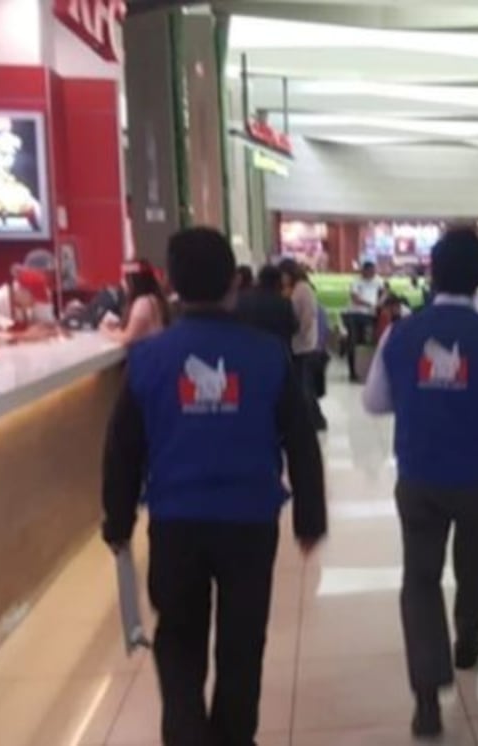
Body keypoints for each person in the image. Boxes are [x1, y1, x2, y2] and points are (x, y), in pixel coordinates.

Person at [102, 227, 327, 746]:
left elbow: (122, 448)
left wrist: (118, 521)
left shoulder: (148, 358)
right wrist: (309, 517)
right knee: (242, 642)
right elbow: (300, 438)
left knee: (179, 641)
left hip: (176, 522)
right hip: (249, 522)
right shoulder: (267, 354)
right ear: (233, 282)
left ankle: (187, 736)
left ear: (174, 286)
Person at [362, 228, 478, 740]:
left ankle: (426, 697)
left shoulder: (401, 334)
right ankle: (468, 636)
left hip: (419, 472)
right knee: (475, 559)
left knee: (420, 577)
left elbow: (374, 402)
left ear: (431, 274)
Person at [279, 259, 328, 430]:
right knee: (303, 384)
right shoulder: (293, 289)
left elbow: (308, 316)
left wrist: (299, 333)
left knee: (305, 385)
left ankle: (314, 420)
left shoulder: (303, 289)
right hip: (297, 343)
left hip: (304, 344)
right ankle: (312, 419)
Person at [102, 262, 169, 345]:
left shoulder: (142, 302)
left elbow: (127, 338)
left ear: (132, 281)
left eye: (124, 278)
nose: (122, 282)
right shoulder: (154, 298)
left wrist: (106, 331)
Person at [342, 261, 383, 382]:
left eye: (373, 271)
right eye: (370, 271)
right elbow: (355, 298)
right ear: (364, 271)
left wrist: (379, 303)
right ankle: (352, 371)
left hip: (369, 315)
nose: (372, 274)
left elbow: (384, 292)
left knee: (365, 343)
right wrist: (370, 304)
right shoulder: (356, 282)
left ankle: (363, 369)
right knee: (353, 342)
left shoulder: (378, 281)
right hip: (354, 314)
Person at [236, 265, 298, 344]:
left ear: (259, 279)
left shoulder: (245, 298)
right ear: (277, 281)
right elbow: (294, 327)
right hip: (276, 346)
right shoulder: (283, 302)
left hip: (249, 344)